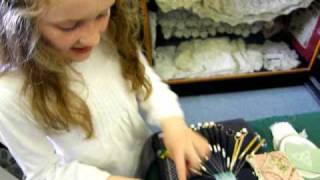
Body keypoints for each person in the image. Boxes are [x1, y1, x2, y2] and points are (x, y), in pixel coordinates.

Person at [0, 0, 211, 180]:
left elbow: (144, 80)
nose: (94, 38)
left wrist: (173, 122)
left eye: (102, 14)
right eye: (69, 26)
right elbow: (44, 172)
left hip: (144, 157)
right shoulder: (9, 93)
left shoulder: (113, 32)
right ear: (20, 23)